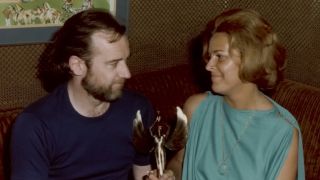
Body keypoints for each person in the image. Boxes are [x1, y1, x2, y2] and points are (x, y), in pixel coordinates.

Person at [10, 9, 155, 180]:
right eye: (113, 64)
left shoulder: (138, 109)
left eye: (125, 60)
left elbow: (143, 170)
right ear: (77, 65)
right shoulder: (35, 126)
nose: (127, 73)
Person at [166, 8, 305, 180]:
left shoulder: (282, 132)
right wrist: (169, 175)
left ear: (250, 58)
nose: (208, 66)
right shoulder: (196, 108)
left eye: (220, 56)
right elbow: (180, 162)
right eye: (209, 57)